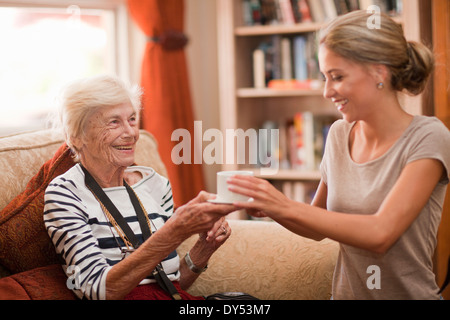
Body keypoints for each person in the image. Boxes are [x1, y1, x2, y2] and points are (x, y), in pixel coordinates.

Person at [228, 10, 450, 300]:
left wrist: (282, 204)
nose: (326, 91)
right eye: (324, 77)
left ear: (378, 72)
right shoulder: (338, 134)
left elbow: (380, 234)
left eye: (337, 77)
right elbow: (318, 224)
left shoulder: (429, 137)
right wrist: (270, 207)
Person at [44, 75, 235, 300]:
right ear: (76, 136)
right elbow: (99, 291)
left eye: (132, 119)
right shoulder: (66, 194)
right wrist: (173, 232)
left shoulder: (155, 184)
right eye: (113, 122)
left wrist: (204, 249)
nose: (131, 133)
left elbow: (169, 286)